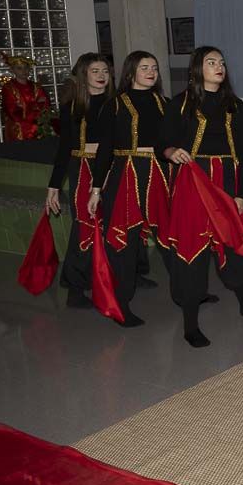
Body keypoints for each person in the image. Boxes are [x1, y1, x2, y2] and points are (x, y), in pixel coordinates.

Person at [158, 47, 243, 348]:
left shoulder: (235, 106)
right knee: (194, 250)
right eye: (211, 62)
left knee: (237, 243)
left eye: (222, 62)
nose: (219, 66)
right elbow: (162, 144)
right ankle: (191, 323)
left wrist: (242, 193)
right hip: (194, 181)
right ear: (197, 69)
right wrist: (170, 152)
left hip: (228, 180)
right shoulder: (180, 104)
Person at [87, 51, 171, 327]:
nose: (151, 71)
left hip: (160, 175)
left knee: (172, 236)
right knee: (124, 244)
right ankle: (120, 305)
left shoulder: (165, 103)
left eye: (155, 67)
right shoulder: (114, 105)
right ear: (131, 72)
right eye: (144, 67)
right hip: (126, 176)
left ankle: (189, 293)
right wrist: (96, 189)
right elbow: (104, 151)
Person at [46, 53, 113, 308]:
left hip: (111, 167)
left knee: (110, 223)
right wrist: (53, 186)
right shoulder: (72, 106)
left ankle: (106, 276)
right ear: (83, 74)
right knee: (84, 224)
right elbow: (63, 148)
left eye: (105, 71)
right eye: (95, 71)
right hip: (83, 167)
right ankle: (75, 288)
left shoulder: (115, 104)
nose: (101, 76)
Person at [0, 53, 53, 140]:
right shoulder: (8, 88)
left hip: (37, 127)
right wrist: (35, 105)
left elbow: (45, 106)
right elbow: (11, 110)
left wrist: (25, 107)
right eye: (19, 68)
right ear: (12, 70)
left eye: (26, 68)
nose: (24, 71)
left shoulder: (36, 87)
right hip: (18, 128)